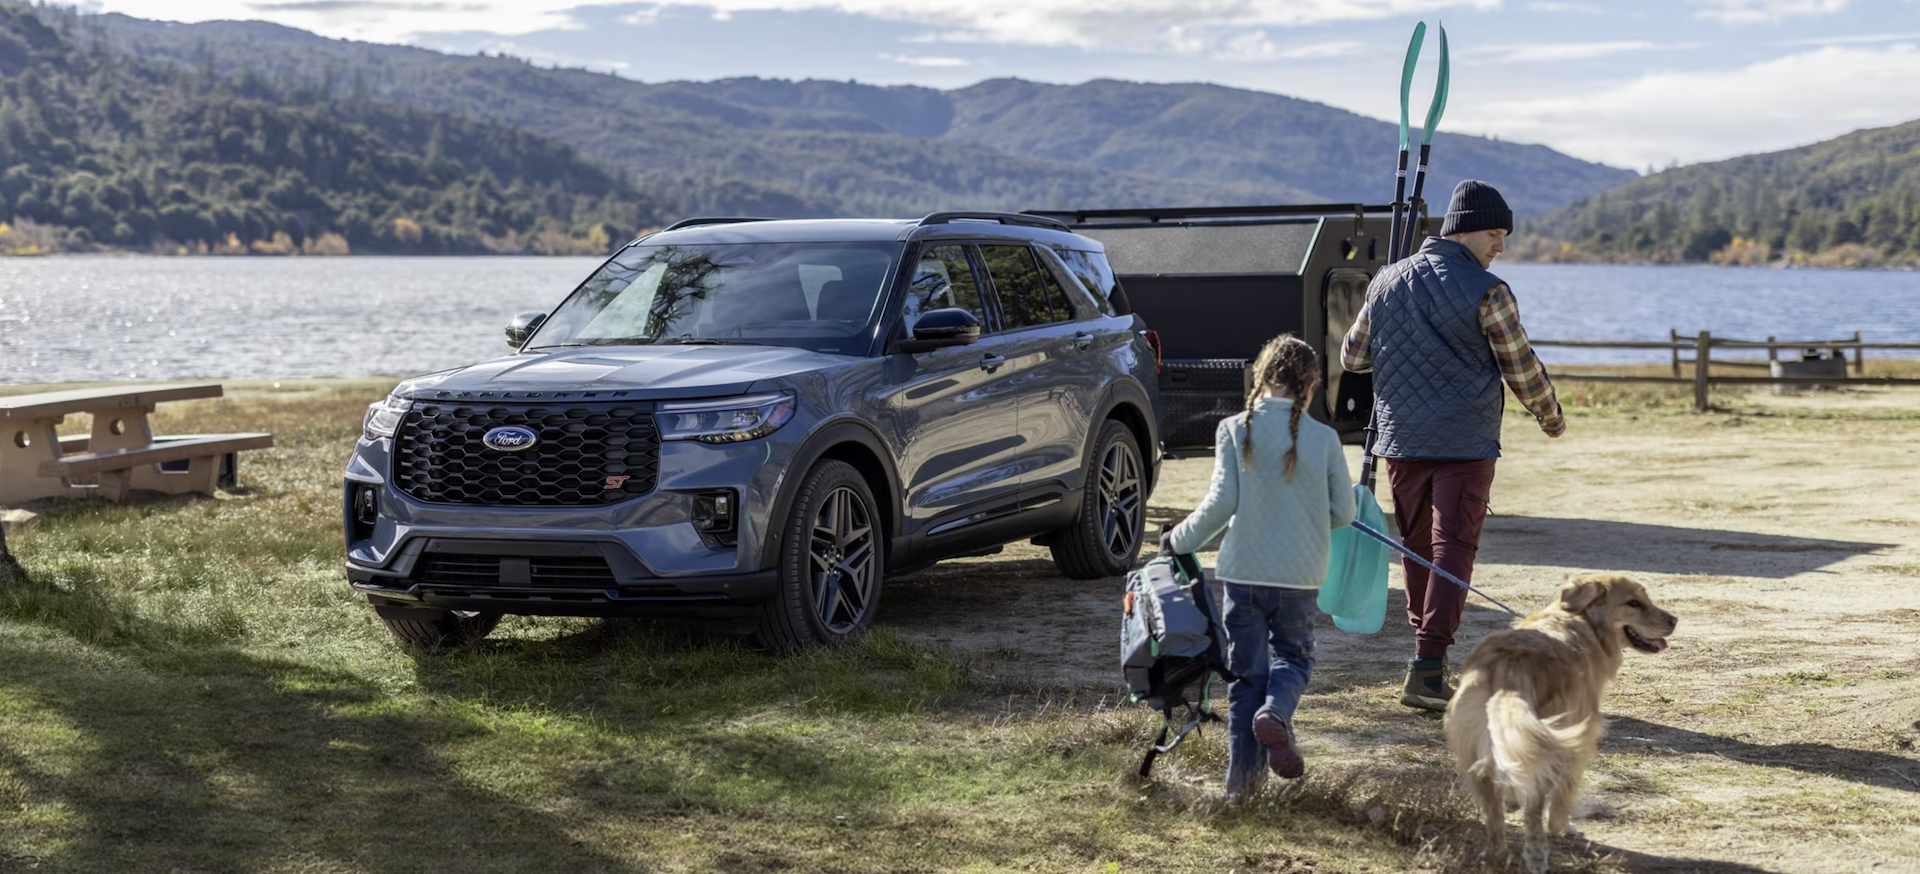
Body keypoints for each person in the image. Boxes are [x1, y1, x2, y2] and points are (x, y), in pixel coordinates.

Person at [1339, 179, 1566, 712]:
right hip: (1465, 442)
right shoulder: (1489, 291)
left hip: (1400, 439)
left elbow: (1352, 357)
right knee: (1453, 549)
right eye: (1495, 234)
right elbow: (1521, 367)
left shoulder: (1385, 281)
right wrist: (1550, 415)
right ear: (1464, 230)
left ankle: (1427, 659)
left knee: (1418, 548)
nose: (1501, 246)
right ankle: (1427, 666)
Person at [1164, 334, 1355, 800]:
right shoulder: (1324, 438)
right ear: (1310, 385)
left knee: (1245, 679)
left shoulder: (1234, 429)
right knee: (1294, 658)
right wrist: (1310, 512)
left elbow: (1220, 503)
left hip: (1243, 576)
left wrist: (1177, 540)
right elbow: (1344, 512)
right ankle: (1276, 713)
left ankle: (1241, 791)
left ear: (1261, 377)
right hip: (1300, 577)